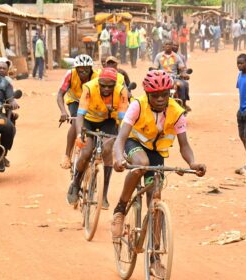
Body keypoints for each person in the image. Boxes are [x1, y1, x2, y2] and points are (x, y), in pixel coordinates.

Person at [111, 70, 206, 275]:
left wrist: (193, 163)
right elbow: (120, 138)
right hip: (134, 143)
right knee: (141, 164)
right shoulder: (137, 105)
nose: (161, 98)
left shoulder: (177, 111)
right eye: (156, 95)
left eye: (165, 93)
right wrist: (118, 157)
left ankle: (154, 257)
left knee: (155, 200)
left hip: (157, 153)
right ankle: (120, 208)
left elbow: (184, 145)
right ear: (147, 94)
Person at [66, 68, 129, 208]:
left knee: (107, 150)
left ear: (115, 84)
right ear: (98, 82)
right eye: (103, 85)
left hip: (108, 121)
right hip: (89, 120)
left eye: (110, 86)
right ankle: (76, 183)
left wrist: (121, 139)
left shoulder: (121, 91)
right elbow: (80, 114)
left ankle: (103, 194)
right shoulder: (89, 87)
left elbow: (123, 119)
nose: (106, 89)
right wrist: (79, 135)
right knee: (86, 152)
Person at [57, 55, 99, 169]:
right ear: (76, 69)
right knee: (76, 121)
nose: (83, 73)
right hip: (75, 101)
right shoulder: (70, 74)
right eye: (80, 71)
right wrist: (63, 112)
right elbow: (60, 94)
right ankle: (67, 155)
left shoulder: (97, 77)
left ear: (91, 69)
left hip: (91, 102)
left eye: (86, 70)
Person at [153, 40, 190, 111]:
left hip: (174, 77)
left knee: (181, 85)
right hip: (161, 77)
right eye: (166, 44)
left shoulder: (177, 57)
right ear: (163, 46)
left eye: (169, 44)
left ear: (171, 46)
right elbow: (155, 67)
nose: (168, 46)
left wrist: (184, 74)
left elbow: (182, 68)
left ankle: (181, 105)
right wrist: (153, 70)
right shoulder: (158, 56)